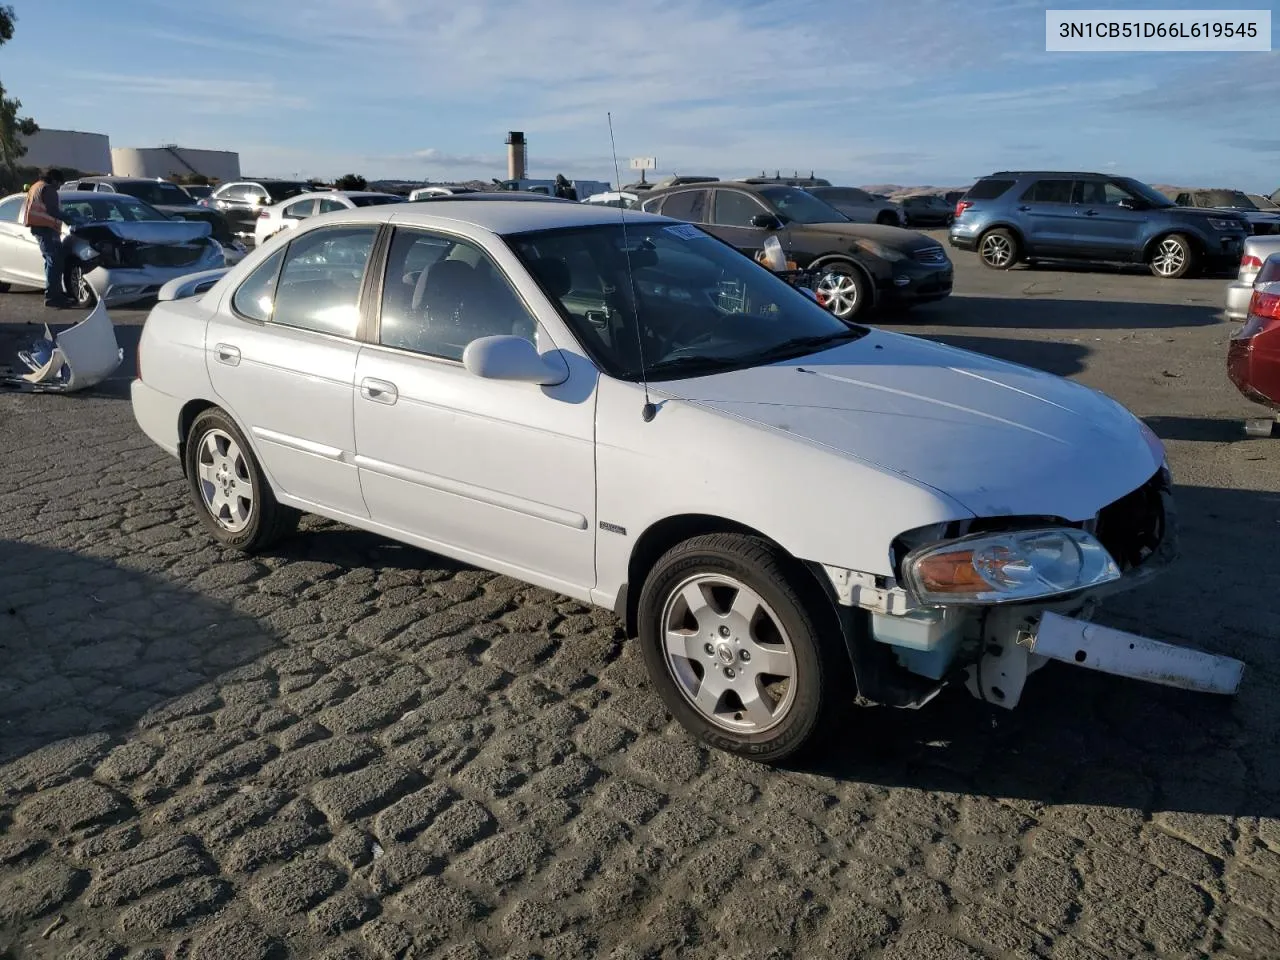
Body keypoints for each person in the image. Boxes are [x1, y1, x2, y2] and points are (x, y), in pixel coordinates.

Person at [20, 167, 74, 308]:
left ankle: (54, 293)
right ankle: (53, 296)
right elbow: (52, 210)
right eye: (59, 184)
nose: (59, 187)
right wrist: (70, 218)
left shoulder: (36, 187)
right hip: (46, 228)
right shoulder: (48, 189)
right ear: (54, 180)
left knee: (51, 261)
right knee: (55, 261)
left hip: (40, 227)